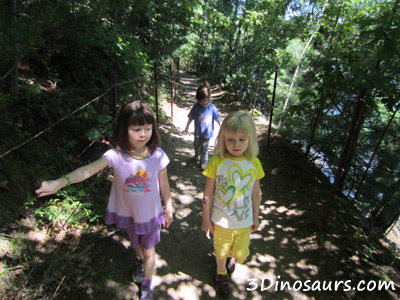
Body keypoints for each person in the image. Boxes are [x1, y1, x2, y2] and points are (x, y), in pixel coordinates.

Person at [36, 101, 173, 300]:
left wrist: (169, 208)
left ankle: (148, 286)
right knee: (136, 244)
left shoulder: (158, 155)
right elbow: (88, 170)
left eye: (147, 128)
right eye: (136, 129)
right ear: (124, 129)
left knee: (150, 251)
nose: (143, 134)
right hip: (129, 215)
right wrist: (59, 183)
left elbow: (164, 184)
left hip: (151, 215)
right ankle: (140, 260)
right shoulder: (116, 156)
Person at [201, 111, 265, 299]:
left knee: (241, 252)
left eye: (242, 139)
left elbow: (256, 193)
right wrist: (206, 218)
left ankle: (231, 257)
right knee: (220, 250)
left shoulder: (254, 163)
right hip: (221, 221)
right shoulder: (216, 162)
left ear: (250, 140)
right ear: (222, 139)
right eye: (230, 140)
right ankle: (221, 276)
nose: (236, 145)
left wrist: (256, 216)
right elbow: (207, 194)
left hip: (244, 221)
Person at [184, 84, 222, 170]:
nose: (202, 103)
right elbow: (191, 117)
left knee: (204, 148)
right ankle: (197, 154)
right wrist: (187, 126)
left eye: (205, 100)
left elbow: (217, 118)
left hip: (207, 134)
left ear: (209, 98)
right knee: (196, 145)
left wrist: (221, 126)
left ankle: (204, 162)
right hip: (197, 132)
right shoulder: (196, 107)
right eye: (200, 101)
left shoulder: (212, 108)